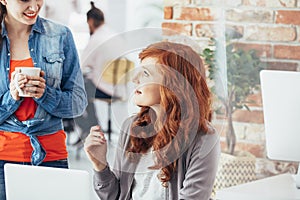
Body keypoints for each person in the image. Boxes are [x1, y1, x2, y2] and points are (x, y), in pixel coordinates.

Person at [84, 41, 221, 200]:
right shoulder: (131, 127)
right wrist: (100, 164)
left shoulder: (204, 138)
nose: (134, 78)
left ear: (173, 84)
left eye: (146, 73)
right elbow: (115, 196)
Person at [0, 0, 87, 200]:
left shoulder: (60, 36)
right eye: (24, 0)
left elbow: (78, 103)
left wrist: (45, 94)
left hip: (51, 157)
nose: (34, 6)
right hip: (3, 158)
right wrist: (12, 97)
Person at [73, 1, 121, 146]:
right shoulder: (113, 34)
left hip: (104, 88)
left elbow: (80, 66)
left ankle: (89, 128)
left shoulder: (96, 39)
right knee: (83, 88)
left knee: (75, 91)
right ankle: (93, 127)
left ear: (91, 21)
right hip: (119, 86)